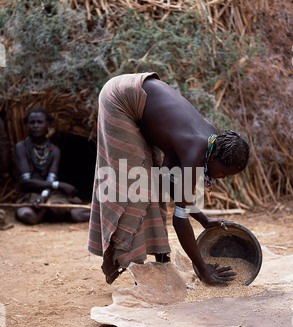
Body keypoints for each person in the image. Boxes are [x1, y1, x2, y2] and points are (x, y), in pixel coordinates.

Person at [88, 72, 249, 285]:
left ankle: (157, 256)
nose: (221, 178)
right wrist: (203, 268)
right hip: (119, 98)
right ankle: (122, 257)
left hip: (137, 90)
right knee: (136, 183)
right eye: (225, 173)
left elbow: (169, 181)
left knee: (154, 180)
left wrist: (202, 219)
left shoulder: (210, 138)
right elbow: (179, 220)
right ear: (220, 159)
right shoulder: (194, 152)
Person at [14, 107, 90, 225]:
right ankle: (47, 213)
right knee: (27, 215)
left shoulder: (54, 150)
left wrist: (44, 196)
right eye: (32, 122)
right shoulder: (21, 147)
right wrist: (59, 185)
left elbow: (51, 178)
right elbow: (26, 182)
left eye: (40, 122)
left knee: (61, 209)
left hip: (50, 193)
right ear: (27, 125)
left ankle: (49, 211)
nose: (35, 126)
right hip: (29, 195)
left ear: (48, 124)